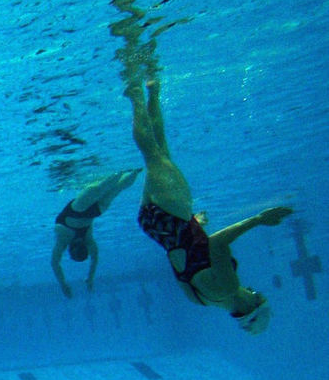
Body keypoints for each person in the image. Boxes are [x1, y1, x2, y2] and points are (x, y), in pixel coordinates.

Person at [127, 78, 292, 333]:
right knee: (161, 153)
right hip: (157, 226)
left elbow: (215, 245)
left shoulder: (228, 287)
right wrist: (195, 225)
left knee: (153, 155)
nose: (252, 290)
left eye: (256, 295)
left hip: (175, 217)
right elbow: (181, 255)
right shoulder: (201, 300)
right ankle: (152, 91)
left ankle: (136, 93)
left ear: (249, 305)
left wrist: (258, 219)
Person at [50, 168, 141, 297]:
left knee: (116, 188)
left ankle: (134, 172)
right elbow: (55, 263)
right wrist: (64, 284)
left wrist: (90, 278)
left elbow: (94, 258)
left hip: (95, 212)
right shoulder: (64, 241)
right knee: (101, 188)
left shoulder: (88, 241)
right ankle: (122, 171)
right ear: (70, 249)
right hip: (77, 211)